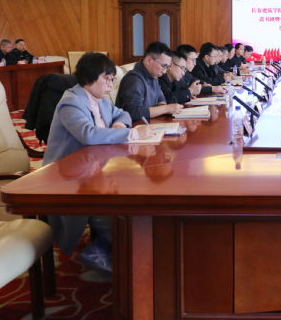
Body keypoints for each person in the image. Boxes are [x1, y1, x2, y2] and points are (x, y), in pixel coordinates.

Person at [42, 52, 154, 276]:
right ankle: (103, 252)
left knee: (131, 192)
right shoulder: (71, 102)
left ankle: (112, 248)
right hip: (67, 173)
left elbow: (123, 114)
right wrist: (131, 134)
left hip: (93, 166)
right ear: (89, 78)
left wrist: (120, 125)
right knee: (117, 206)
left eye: (113, 79)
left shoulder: (100, 99)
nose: (111, 84)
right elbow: (89, 135)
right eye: (107, 79)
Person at [115, 41, 183, 122]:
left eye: (167, 67)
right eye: (163, 66)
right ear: (149, 60)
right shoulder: (134, 79)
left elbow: (161, 99)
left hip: (150, 123)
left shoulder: (154, 75)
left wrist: (163, 107)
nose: (164, 71)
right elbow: (133, 113)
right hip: (134, 127)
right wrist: (166, 109)